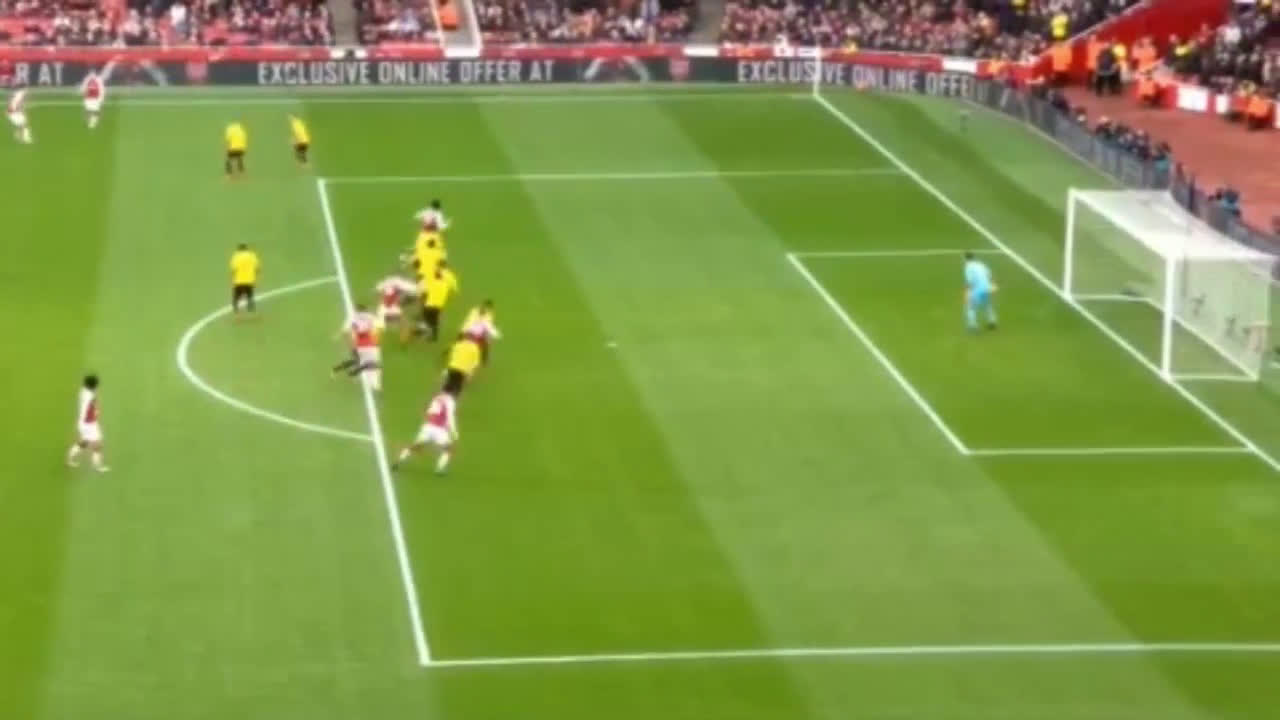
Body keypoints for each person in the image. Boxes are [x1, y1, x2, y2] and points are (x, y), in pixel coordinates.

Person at [391, 390, 458, 475]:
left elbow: (428, 411)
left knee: (415, 447)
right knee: (448, 449)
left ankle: (399, 460)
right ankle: (440, 468)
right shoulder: (450, 401)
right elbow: (450, 418)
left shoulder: (437, 399)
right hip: (439, 430)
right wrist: (454, 432)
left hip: (428, 426)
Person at [332, 304, 382, 392]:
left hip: (359, 346)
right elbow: (378, 327)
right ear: (365, 310)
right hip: (370, 345)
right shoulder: (370, 317)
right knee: (371, 364)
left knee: (359, 361)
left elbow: (345, 331)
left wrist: (338, 336)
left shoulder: (352, 318)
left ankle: (341, 370)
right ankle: (372, 383)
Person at [67, 374, 109, 472]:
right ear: (94, 385)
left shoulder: (83, 391)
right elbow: (93, 411)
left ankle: (69, 459)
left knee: (84, 443)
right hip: (89, 424)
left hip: (82, 423)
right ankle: (99, 467)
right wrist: (96, 412)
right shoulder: (91, 397)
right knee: (97, 445)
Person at [419, 260, 459, 342]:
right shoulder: (446, 282)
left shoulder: (432, 281)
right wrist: (447, 298)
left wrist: (422, 298)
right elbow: (453, 290)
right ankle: (433, 335)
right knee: (434, 319)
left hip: (429, 303)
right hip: (440, 304)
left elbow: (424, 291)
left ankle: (426, 331)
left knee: (427, 318)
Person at [963, 251, 998, 332]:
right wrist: (992, 285)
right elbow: (989, 274)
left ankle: (973, 326)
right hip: (986, 287)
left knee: (971, 307)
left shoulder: (968, 267)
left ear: (966, 259)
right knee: (987, 305)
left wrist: (967, 291)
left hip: (977, 289)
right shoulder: (980, 264)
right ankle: (992, 321)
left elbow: (970, 281)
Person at [460, 299, 501, 365]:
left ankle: (484, 358)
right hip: (469, 331)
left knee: (487, 343)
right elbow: (468, 322)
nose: (485, 309)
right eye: (484, 306)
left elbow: (487, 326)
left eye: (487, 308)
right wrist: (463, 332)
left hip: (479, 332)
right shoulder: (474, 311)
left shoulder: (489, 315)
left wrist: (486, 335)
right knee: (459, 342)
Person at [229, 243, 260, 316]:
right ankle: (251, 311)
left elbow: (233, 269)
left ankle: (236, 311)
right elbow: (257, 268)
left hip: (238, 280)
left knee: (236, 297)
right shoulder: (252, 256)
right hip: (250, 280)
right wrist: (255, 277)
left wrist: (232, 279)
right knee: (250, 295)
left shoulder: (236, 257)